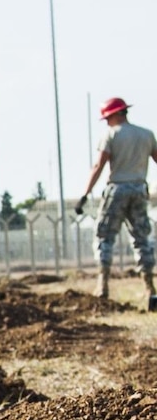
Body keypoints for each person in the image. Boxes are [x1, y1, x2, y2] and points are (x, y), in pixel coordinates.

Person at [76, 96, 157, 309]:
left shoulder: (110, 136)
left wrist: (85, 194)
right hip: (140, 189)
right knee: (142, 238)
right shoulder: (147, 135)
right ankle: (151, 290)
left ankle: (102, 286)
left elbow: (99, 166)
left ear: (114, 115)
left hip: (117, 190)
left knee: (105, 236)